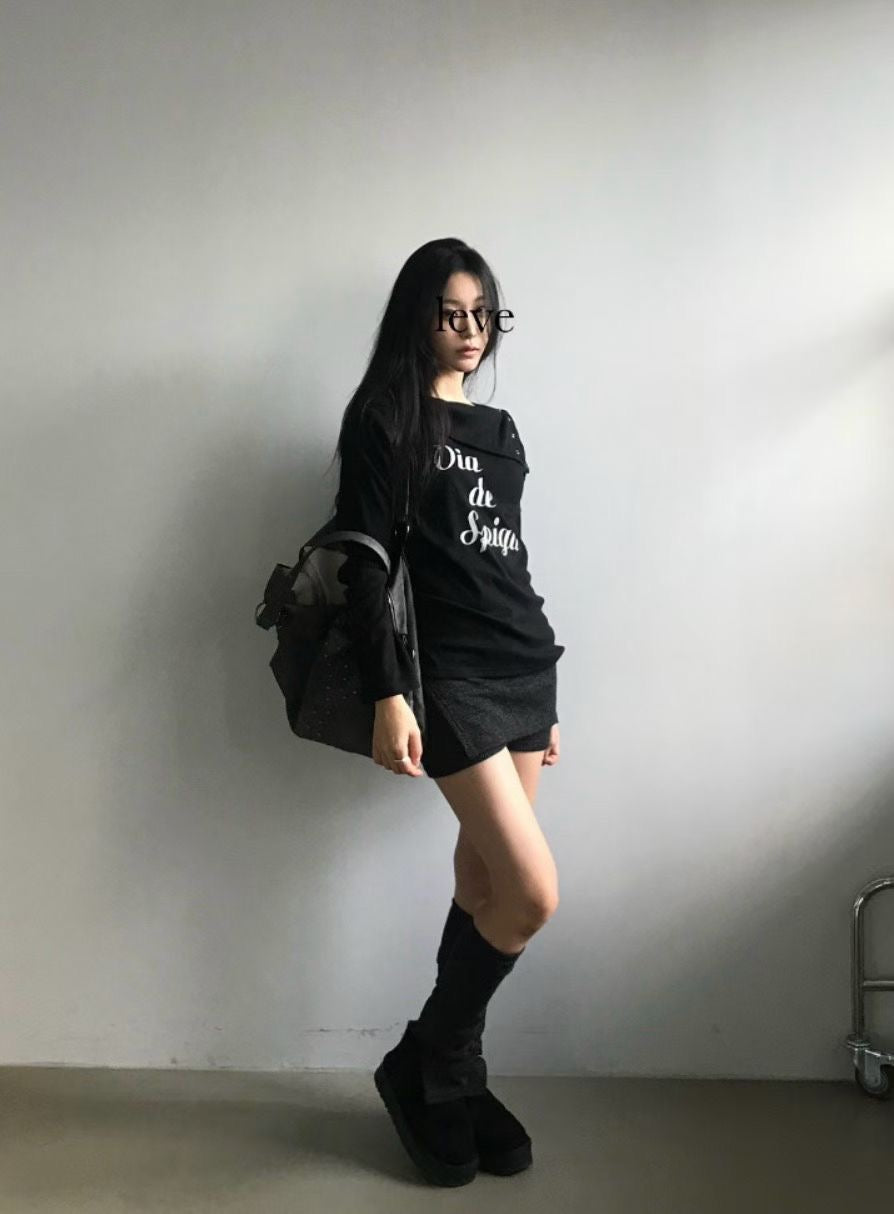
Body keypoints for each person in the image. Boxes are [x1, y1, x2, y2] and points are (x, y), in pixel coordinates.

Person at [329, 237, 565, 1187]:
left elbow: (509, 560)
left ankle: (449, 1072)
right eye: (450, 313)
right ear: (416, 318)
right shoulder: (385, 419)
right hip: (453, 680)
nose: (470, 330)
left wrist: (549, 695)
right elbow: (363, 563)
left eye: (482, 313)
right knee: (532, 896)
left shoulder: (501, 430)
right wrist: (388, 691)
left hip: (524, 669)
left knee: (483, 884)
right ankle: (428, 1059)